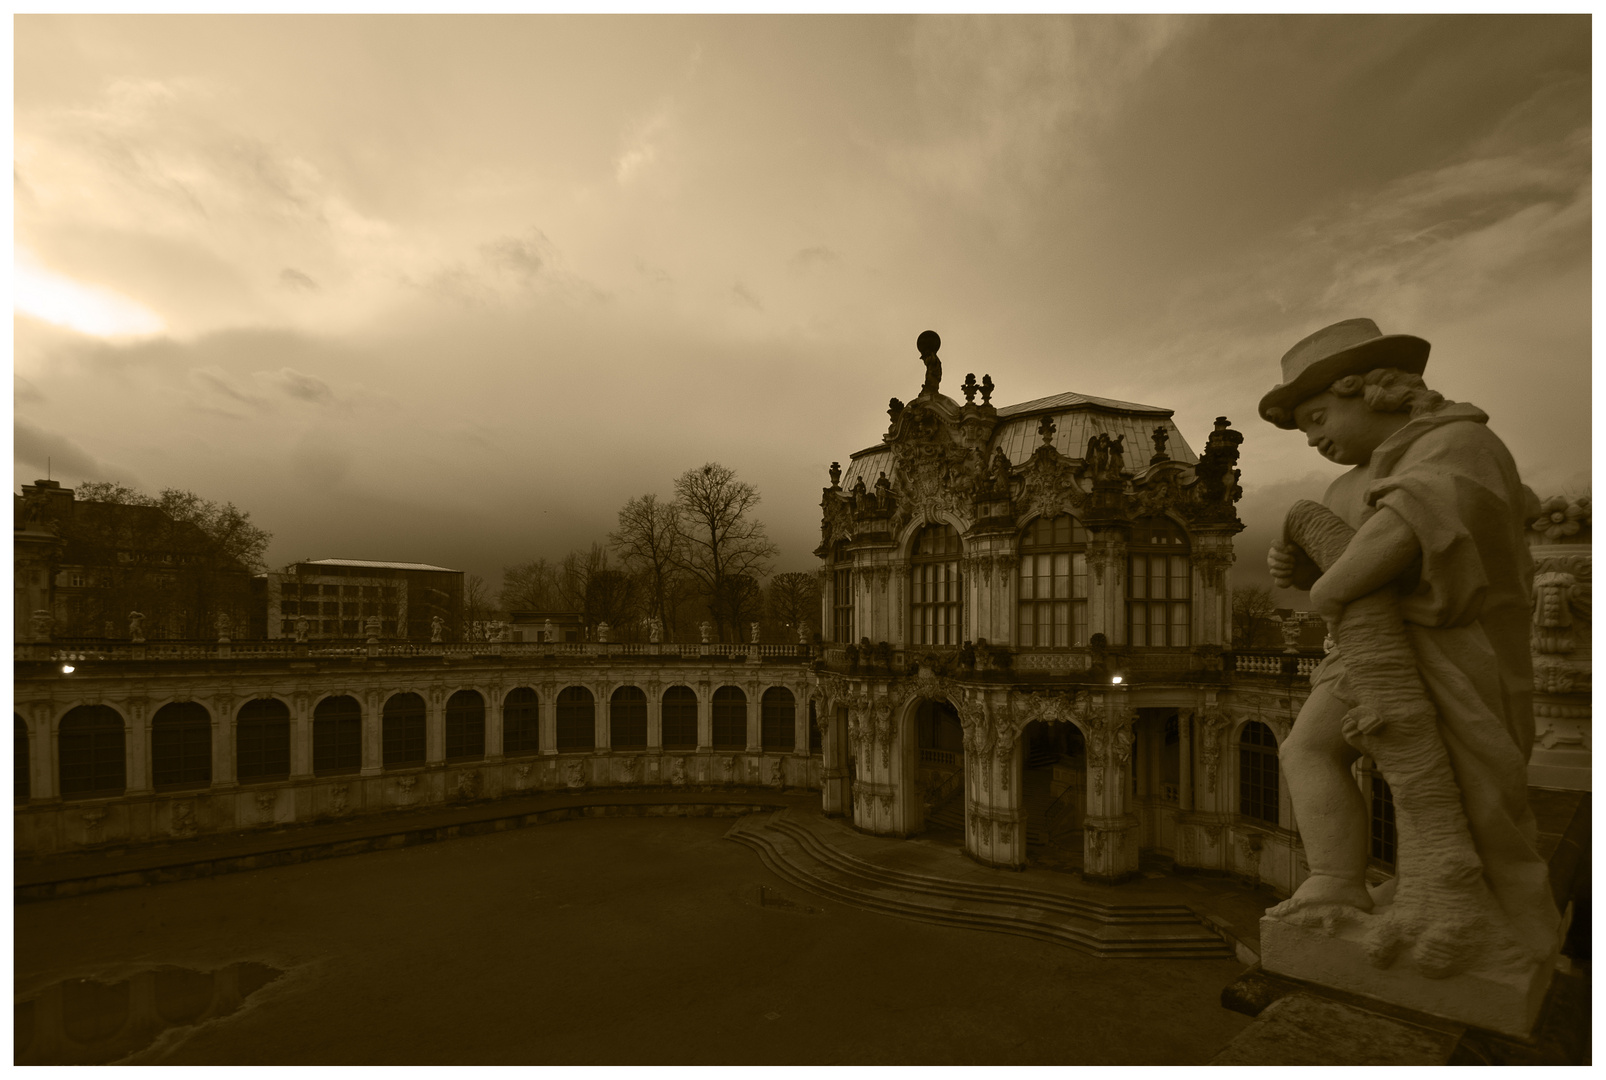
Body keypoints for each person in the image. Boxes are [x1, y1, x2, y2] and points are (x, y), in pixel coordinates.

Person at [1260, 318, 1556, 961]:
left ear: (1370, 389)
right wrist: (1304, 567)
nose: (1312, 438)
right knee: (1307, 749)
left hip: (1454, 642)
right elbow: (1344, 553)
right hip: (1376, 649)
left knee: (1456, 777)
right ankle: (1337, 882)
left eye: (1316, 416)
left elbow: (1404, 537)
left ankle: (1450, 893)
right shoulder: (1351, 481)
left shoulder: (1457, 443)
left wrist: (1328, 585)